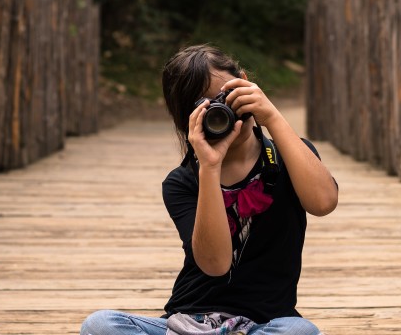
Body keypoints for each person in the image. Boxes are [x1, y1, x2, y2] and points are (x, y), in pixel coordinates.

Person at [81, 45, 338, 335]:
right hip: (190, 321)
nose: (224, 112)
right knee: (99, 325)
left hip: (268, 321)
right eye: (208, 109)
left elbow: (324, 202)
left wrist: (273, 117)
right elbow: (215, 264)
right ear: (189, 121)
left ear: (244, 83)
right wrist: (210, 166)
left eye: (225, 97)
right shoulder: (183, 181)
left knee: (299, 331)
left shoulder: (289, 155)